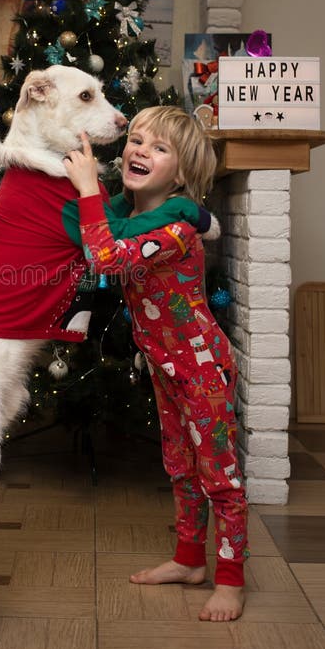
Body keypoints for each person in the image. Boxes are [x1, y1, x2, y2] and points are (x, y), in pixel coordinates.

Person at [64, 105, 248, 622]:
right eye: (136, 140)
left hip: (202, 370)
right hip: (165, 367)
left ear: (182, 174)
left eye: (158, 147)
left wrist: (86, 188)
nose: (139, 149)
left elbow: (105, 259)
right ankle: (190, 561)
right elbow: (98, 236)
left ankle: (231, 581)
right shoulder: (130, 217)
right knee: (179, 468)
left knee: (220, 477)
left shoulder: (173, 232)